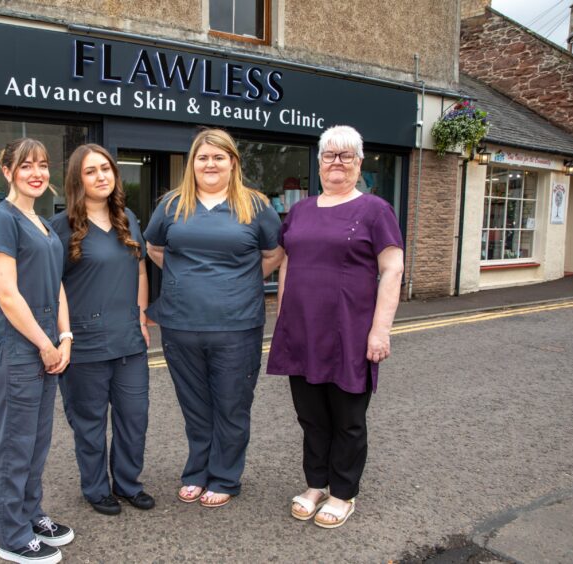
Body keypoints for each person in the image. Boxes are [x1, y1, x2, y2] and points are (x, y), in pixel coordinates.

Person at [266, 125, 404, 529]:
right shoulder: (301, 210)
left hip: (349, 332)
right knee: (310, 416)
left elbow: (392, 269)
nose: (337, 163)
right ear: (319, 162)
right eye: (329, 155)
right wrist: (283, 314)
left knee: (348, 418)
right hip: (302, 331)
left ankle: (343, 492)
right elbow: (288, 262)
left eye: (346, 155)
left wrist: (380, 330)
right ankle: (315, 484)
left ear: (359, 163)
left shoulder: (376, 210)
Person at [144, 128, 284, 508]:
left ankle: (224, 476)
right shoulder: (172, 205)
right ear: (192, 163)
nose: (210, 164)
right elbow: (155, 248)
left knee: (231, 404)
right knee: (194, 406)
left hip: (237, 326)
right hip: (180, 325)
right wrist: (184, 279)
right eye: (203, 157)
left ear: (233, 162)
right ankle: (196, 471)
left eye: (219, 157)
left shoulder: (254, 206)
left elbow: (274, 254)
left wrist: (235, 281)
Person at [0, 138, 75, 564]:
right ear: (7, 172)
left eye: (41, 165)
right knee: (15, 444)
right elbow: (6, 293)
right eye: (25, 166)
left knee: (36, 442)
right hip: (16, 350)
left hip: (45, 348)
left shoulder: (43, 223)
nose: (36, 173)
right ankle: (12, 536)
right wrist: (44, 344)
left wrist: (66, 336)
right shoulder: (3, 219)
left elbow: (55, 284)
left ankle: (30, 513)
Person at [50, 144, 154, 516]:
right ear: (78, 179)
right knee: (90, 424)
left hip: (129, 340)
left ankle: (127, 483)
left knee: (134, 417)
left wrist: (141, 317)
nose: (102, 176)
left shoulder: (127, 217)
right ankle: (96, 489)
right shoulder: (59, 227)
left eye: (107, 168)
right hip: (84, 344)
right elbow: (52, 286)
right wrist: (62, 336)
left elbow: (140, 269)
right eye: (91, 171)